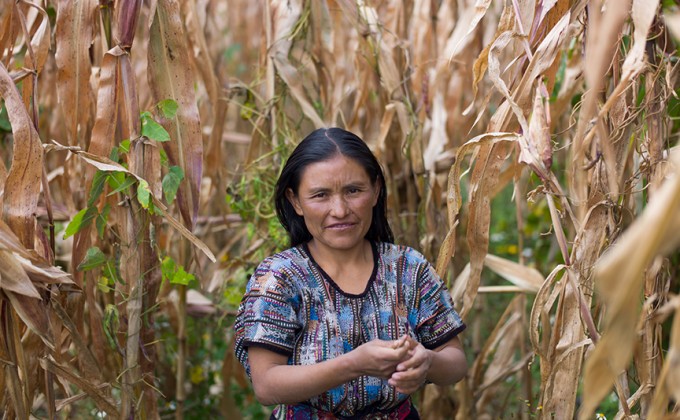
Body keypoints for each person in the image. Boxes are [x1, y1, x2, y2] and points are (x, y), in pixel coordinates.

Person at [234, 127, 467, 419]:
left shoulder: (409, 268)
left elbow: (456, 361)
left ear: (376, 190)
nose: (340, 210)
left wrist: (426, 362)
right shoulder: (279, 277)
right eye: (320, 195)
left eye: (353, 191)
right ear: (296, 202)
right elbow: (266, 386)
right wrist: (353, 364)